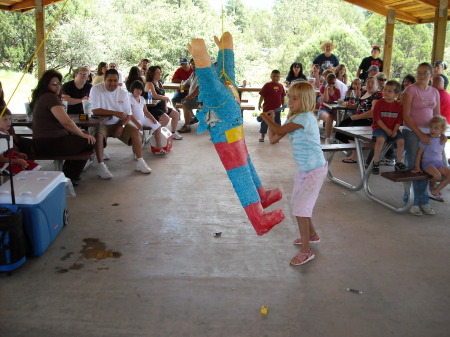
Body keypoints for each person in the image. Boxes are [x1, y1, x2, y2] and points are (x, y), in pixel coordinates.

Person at [259, 81, 327, 265]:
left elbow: (278, 130)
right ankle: (311, 235)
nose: (290, 101)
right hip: (304, 169)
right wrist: (272, 119)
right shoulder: (293, 118)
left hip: (315, 170)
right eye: (289, 97)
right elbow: (274, 139)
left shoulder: (304, 118)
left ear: (305, 101)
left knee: (300, 209)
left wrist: (265, 118)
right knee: (298, 205)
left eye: (295, 98)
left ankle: (306, 251)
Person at [30, 69, 96, 186]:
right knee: (90, 141)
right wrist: (82, 134)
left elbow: (63, 119)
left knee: (85, 138)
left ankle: (68, 173)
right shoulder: (50, 97)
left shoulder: (43, 97)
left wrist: (80, 133)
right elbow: (66, 122)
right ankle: (69, 176)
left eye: (59, 83)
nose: (58, 86)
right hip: (50, 142)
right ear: (46, 84)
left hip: (44, 141)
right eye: (54, 84)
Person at [89, 68, 152, 179]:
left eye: (115, 80)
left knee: (135, 132)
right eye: (110, 80)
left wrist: (121, 126)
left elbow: (128, 114)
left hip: (118, 122)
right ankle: (101, 166)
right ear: (104, 80)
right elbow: (95, 110)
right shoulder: (96, 89)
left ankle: (140, 161)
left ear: (118, 81)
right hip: (101, 123)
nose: (113, 84)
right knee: (98, 136)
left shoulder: (123, 93)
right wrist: (115, 112)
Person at [402, 62, 440, 216]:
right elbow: (406, 115)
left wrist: (440, 132)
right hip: (412, 130)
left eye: (425, 72)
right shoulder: (410, 90)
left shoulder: (434, 92)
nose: (422, 75)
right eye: (419, 72)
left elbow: (437, 115)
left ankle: (424, 200)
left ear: (431, 75)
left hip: (429, 132)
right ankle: (411, 200)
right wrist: (419, 133)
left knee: (426, 166)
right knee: (413, 165)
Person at [335, 76, 382, 163]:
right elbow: (361, 104)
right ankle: (355, 149)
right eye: (368, 82)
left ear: (377, 85)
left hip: (368, 120)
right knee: (341, 127)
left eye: (372, 82)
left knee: (349, 131)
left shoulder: (377, 95)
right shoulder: (365, 92)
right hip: (358, 116)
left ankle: (356, 154)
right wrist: (352, 106)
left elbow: (373, 112)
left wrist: (358, 117)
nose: (370, 84)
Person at [371, 80, 408, 175]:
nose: (386, 92)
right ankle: (376, 162)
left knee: (401, 141)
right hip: (380, 128)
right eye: (385, 90)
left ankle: (398, 162)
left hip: (393, 129)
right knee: (380, 140)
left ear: (396, 94)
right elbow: (377, 119)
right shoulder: (379, 103)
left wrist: (395, 130)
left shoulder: (398, 106)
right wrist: (387, 130)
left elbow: (399, 120)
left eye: (390, 91)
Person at [412, 116, 450, 203]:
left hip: (439, 163)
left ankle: (436, 190)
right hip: (428, 163)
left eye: (436, 128)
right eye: (431, 127)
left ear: (441, 130)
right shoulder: (426, 139)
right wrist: (417, 167)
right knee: (437, 175)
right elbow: (419, 154)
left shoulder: (442, 140)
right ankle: (431, 185)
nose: (432, 130)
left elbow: (441, 153)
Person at [144, 66, 183, 140]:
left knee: (176, 114)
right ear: (152, 74)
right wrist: (165, 98)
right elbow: (154, 95)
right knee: (166, 119)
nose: (159, 74)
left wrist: (165, 105)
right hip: (152, 107)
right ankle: (155, 133)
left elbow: (163, 94)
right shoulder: (149, 83)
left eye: (160, 72)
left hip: (160, 106)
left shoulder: (159, 83)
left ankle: (173, 133)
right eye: (157, 73)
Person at [128, 80, 166, 154]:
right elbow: (129, 114)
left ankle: (158, 146)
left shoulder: (142, 98)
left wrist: (153, 119)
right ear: (132, 89)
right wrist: (138, 124)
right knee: (139, 134)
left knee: (158, 126)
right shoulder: (129, 98)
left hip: (143, 119)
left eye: (141, 89)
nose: (139, 91)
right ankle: (137, 152)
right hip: (133, 120)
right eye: (137, 89)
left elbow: (146, 111)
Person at [0, 109, 40, 175]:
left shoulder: (6, 132)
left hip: (11, 158)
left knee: (32, 166)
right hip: (4, 164)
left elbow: (7, 150)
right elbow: (1, 159)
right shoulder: (1, 136)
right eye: (5, 119)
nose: (9, 122)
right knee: (24, 170)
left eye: (10, 119)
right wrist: (17, 161)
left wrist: (17, 154)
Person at [257, 70, 286, 142]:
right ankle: (262, 136)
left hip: (277, 109)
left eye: (277, 77)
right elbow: (262, 95)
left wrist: (283, 104)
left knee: (277, 123)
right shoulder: (267, 85)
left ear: (279, 77)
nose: (275, 78)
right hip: (267, 109)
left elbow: (282, 96)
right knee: (265, 122)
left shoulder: (281, 86)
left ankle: (276, 137)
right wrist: (259, 103)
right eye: (274, 76)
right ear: (271, 77)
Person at [177, 60, 200, 134]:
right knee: (183, 100)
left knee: (185, 102)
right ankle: (192, 118)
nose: (193, 65)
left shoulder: (202, 74)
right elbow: (187, 81)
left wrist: (190, 96)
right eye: (192, 64)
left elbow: (199, 88)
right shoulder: (193, 73)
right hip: (194, 97)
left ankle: (187, 125)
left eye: (195, 64)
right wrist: (183, 84)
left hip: (201, 98)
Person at [318, 73, 341, 144]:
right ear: (327, 82)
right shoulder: (323, 88)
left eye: (333, 83)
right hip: (323, 109)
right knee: (329, 117)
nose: (331, 85)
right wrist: (326, 90)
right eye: (329, 83)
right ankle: (327, 139)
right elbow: (325, 100)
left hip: (334, 109)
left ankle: (334, 134)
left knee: (341, 117)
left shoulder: (337, 90)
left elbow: (338, 102)